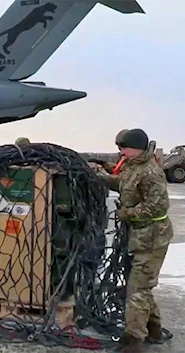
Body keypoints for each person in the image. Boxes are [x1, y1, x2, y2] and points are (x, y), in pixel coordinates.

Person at [97, 128, 173, 353]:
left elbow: (158, 206)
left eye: (124, 148)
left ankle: (133, 341)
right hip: (140, 235)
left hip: (152, 236)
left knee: (137, 288)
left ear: (137, 147)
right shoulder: (134, 166)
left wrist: (126, 213)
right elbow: (123, 184)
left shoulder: (150, 171)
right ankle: (154, 330)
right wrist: (100, 178)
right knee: (143, 285)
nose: (121, 152)